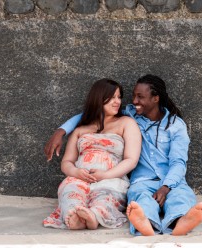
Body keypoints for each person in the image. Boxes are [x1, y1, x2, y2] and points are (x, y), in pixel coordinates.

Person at [45, 74, 202, 235]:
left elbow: (178, 162)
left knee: (181, 197)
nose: (133, 101)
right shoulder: (131, 114)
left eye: (140, 97)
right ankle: (146, 224)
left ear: (155, 99)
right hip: (143, 180)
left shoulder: (175, 125)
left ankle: (181, 221)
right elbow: (94, 113)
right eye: (133, 96)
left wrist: (166, 187)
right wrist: (62, 130)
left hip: (172, 180)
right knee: (141, 199)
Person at [43, 78, 141, 230]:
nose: (117, 102)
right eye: (112, 98)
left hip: (111, 178)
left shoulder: (126, 123)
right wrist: (75, 172)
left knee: (105, 199)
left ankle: (93, 217)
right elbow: (67, 161)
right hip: (80, 178)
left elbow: (131, 160)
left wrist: (105, 175)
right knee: (70, 192)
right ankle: (75, 216)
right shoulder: (81, 129)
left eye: (119, 97)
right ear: (98, 99)